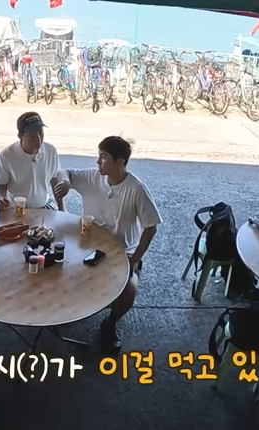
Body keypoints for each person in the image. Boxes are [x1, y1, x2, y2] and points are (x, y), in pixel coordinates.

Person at [53, 136, 162, 353]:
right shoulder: (93, 177)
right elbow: (63, 173)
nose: (98, 162)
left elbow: (151, 227)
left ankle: (110, 324)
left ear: (119, 162)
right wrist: (64, 186)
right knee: (56, 259)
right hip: (88, 245)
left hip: (123, 252)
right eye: (98, 156)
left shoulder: (136, 189)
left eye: (103, 157)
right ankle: (65, 309)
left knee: (129, 291)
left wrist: (135, 259)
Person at [0, 112, 64, 212]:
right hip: (16, 208)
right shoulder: (6, 156)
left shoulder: (50, 151)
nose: (39, 139)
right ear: (20, 135)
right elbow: (0, 186)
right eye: (33, 135)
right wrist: (1, 199)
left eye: (41, 132)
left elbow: (55, 182)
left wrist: (62, 209)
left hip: (43, 205)